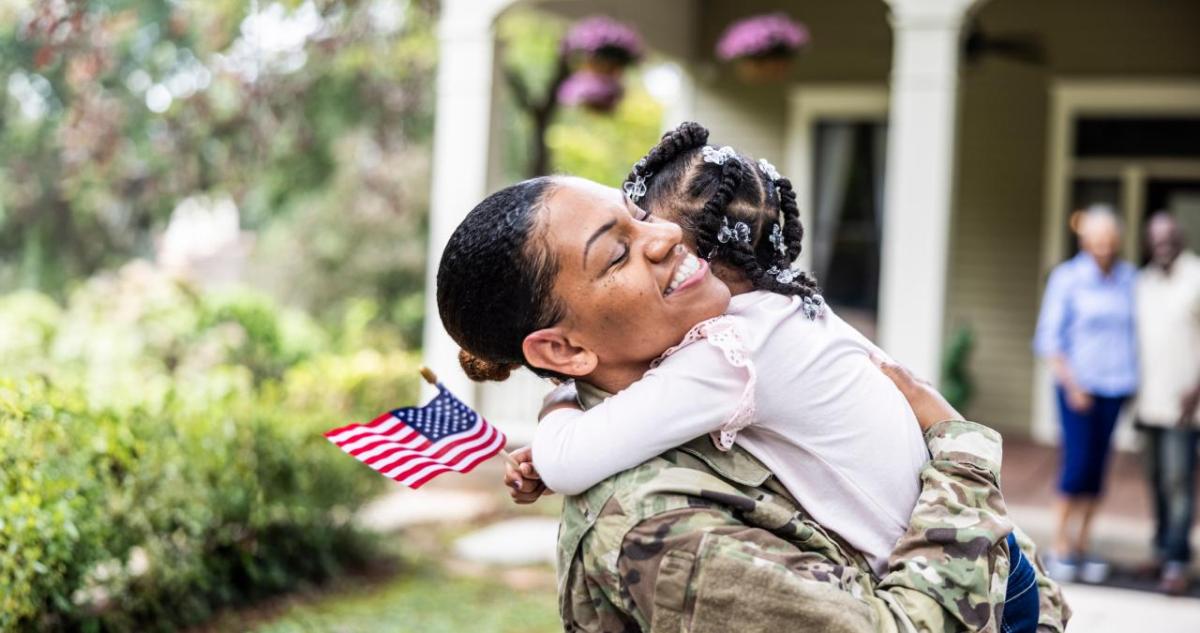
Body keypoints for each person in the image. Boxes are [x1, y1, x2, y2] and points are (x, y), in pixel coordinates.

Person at [436, 166, 1069, 630]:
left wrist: (557, 408)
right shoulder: (654, 517)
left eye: (640, 217)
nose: (667, 238)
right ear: (562, 351)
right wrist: (960, 453)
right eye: (619, 252)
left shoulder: (725, 355)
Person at [1033, 205, 1138, 583]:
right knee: (1076, 467)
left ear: (1118, 240)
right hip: (1077, 389)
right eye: (1097, 238)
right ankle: (1059, 546)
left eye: (1110, 238)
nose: (1104, 245)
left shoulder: (1129, 278)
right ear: (1084, 239)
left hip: (1115, 388)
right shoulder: (1068, 277)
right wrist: (1073, 385)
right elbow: (1048, 339)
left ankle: (1082, 545)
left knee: (1097, 471)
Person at [1134, 212, 1200, 595]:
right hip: (1149, 402)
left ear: (1181, 237)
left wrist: (1197, 388)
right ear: (1149, 242)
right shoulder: (1144, 282)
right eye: (1156, 238)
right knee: (1157, 480)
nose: (1163, 244)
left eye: (1169, 237)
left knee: (1178, 481)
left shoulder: (1196, 276)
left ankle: (1177, 560)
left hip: (1184, 404)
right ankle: (1160, 551)